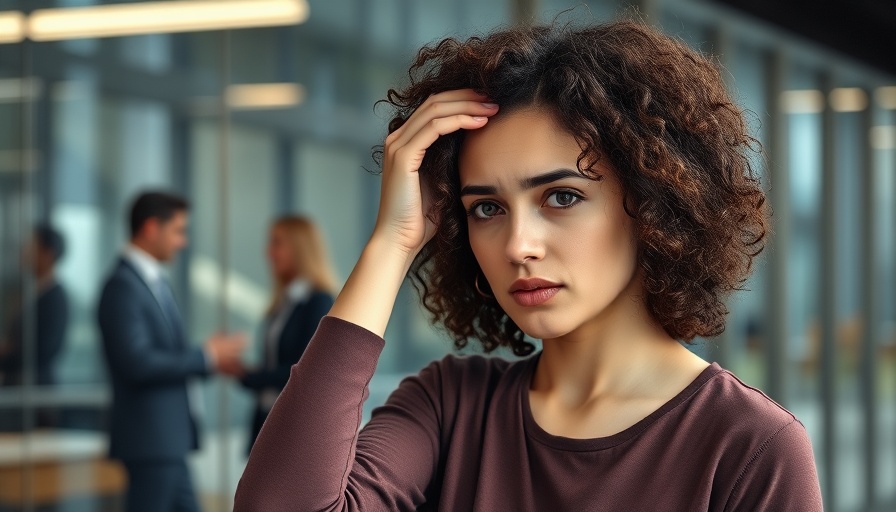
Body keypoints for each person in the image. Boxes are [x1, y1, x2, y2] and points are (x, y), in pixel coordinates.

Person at [235, 20, 823, 511]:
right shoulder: (450, 406)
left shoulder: (749, 446)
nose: (518, 245)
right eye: (486, 208)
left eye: (561, 197)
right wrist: (393, 241)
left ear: (649, 204)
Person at [98, 191, 245, 512]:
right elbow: (137, 362)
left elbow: (159, 353)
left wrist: (209, 358)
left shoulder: (151, 282)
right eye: (178, 231)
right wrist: (205, 355)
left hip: (166, 441)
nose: (183, 242)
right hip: (151, 441)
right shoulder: (123, 286)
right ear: (151, 228)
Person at [225, 216, 336, 451]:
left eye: (277, 244)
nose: (269, 253)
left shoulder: (318, 302)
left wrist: (247, 375)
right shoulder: (283, 301)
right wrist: (243, 372)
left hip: (295, 427)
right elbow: (279, 364)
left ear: (300, 248)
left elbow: (305, 369)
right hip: (267, 417)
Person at [0, 224, 69, 388]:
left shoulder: (55, 298)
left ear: (48, 254)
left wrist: (6, 352)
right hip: (18, 387)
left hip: (37, 393)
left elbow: (43, 350)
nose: (24, 253)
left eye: (31, 246)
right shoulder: (31, 291)